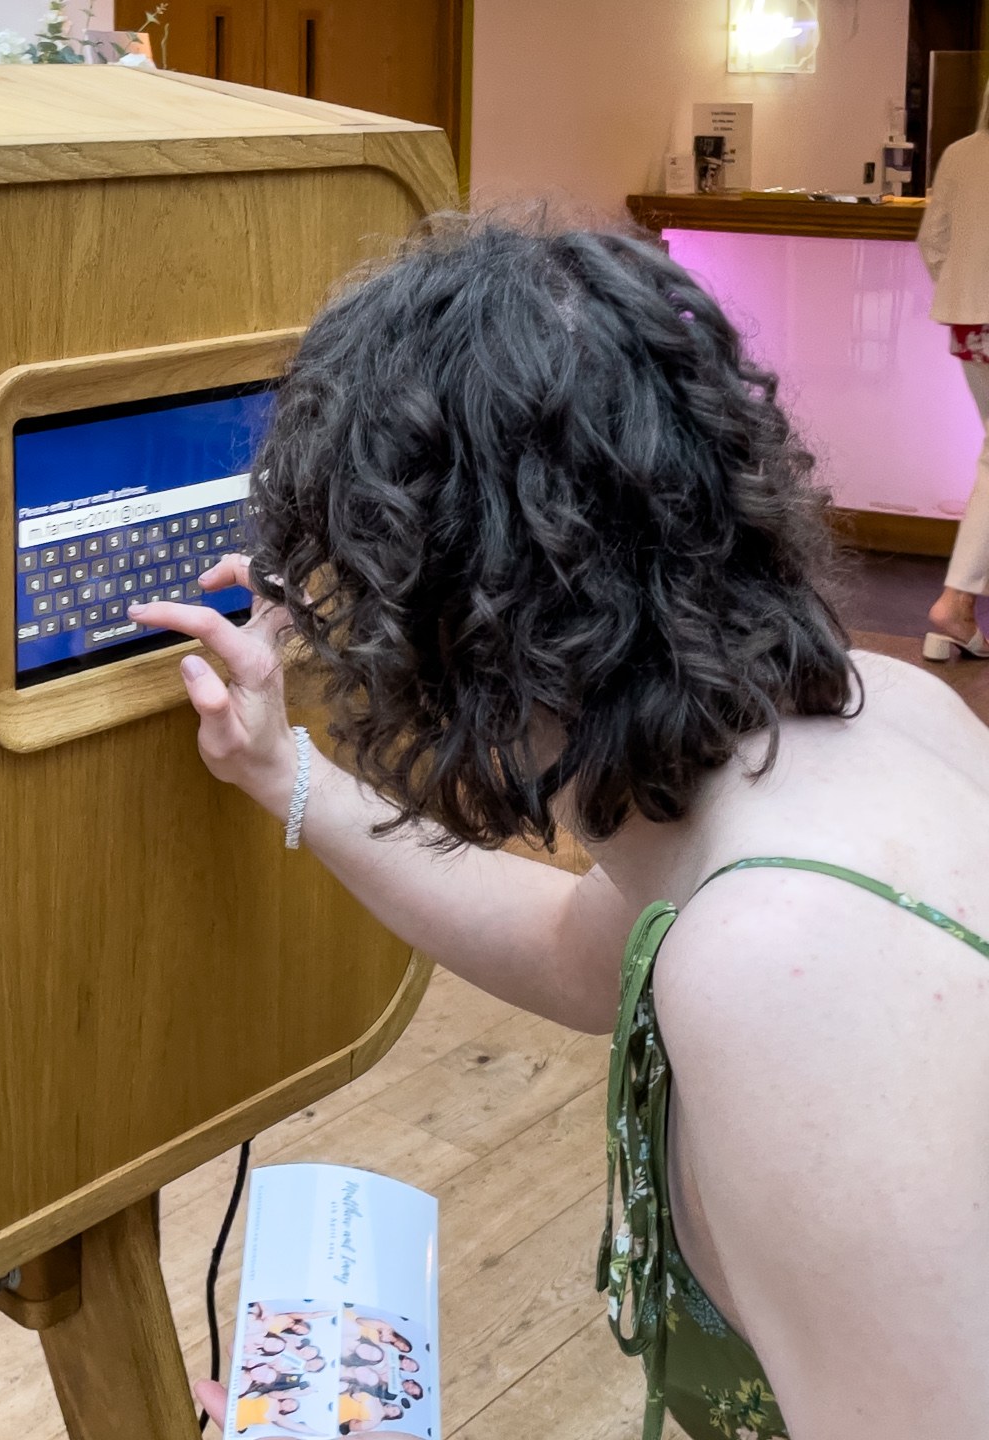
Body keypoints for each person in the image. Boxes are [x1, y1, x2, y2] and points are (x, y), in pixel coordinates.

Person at [162, 219, 989, 1439]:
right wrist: (294, 778)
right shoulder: (885, 715)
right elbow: (575, 947)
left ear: (452, 620)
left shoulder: (782, 965)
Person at [920, 82, 989, 660]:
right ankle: (957, 602)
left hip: (971, 324)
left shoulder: (961, 152)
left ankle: (960, 606)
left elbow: (933, 241)